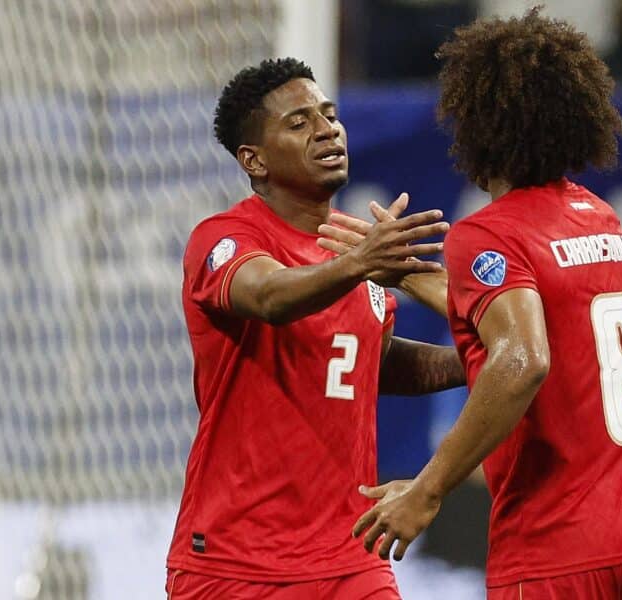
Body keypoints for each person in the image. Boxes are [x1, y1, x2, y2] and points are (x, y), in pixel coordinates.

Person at [343, 9, 622, 600]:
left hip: (559, 543)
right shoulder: (601, 221)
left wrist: (426, 489)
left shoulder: (490, 233)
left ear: (477, 123)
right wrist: (409, 274)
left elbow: (523, 357)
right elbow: (538, 316)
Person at [165, 57, 464, 599]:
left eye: (329, 115)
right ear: (253, 160)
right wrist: (360, 263)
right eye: (299, 122)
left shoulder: (355, 256)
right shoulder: (224, 238)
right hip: (237, 564)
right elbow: (268, 296)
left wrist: (475, 358)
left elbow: (372, 362)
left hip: (352, 557)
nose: (327, 129)